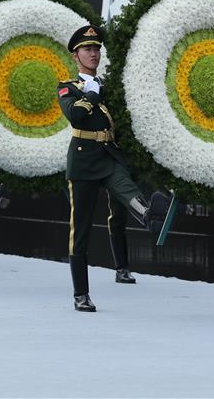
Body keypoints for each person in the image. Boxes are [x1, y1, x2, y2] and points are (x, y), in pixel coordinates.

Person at [56, 25, 168, 312]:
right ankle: (81, 293)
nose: (93, 54)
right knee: (79, 230)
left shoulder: (109, 87)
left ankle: (147, 215)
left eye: (96, 49)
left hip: (108, 156)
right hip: (82, 160)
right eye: (87, 49)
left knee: (125, 187)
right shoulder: (68, 87)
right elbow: (77, 117)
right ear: (75, 55)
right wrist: (91, 94)